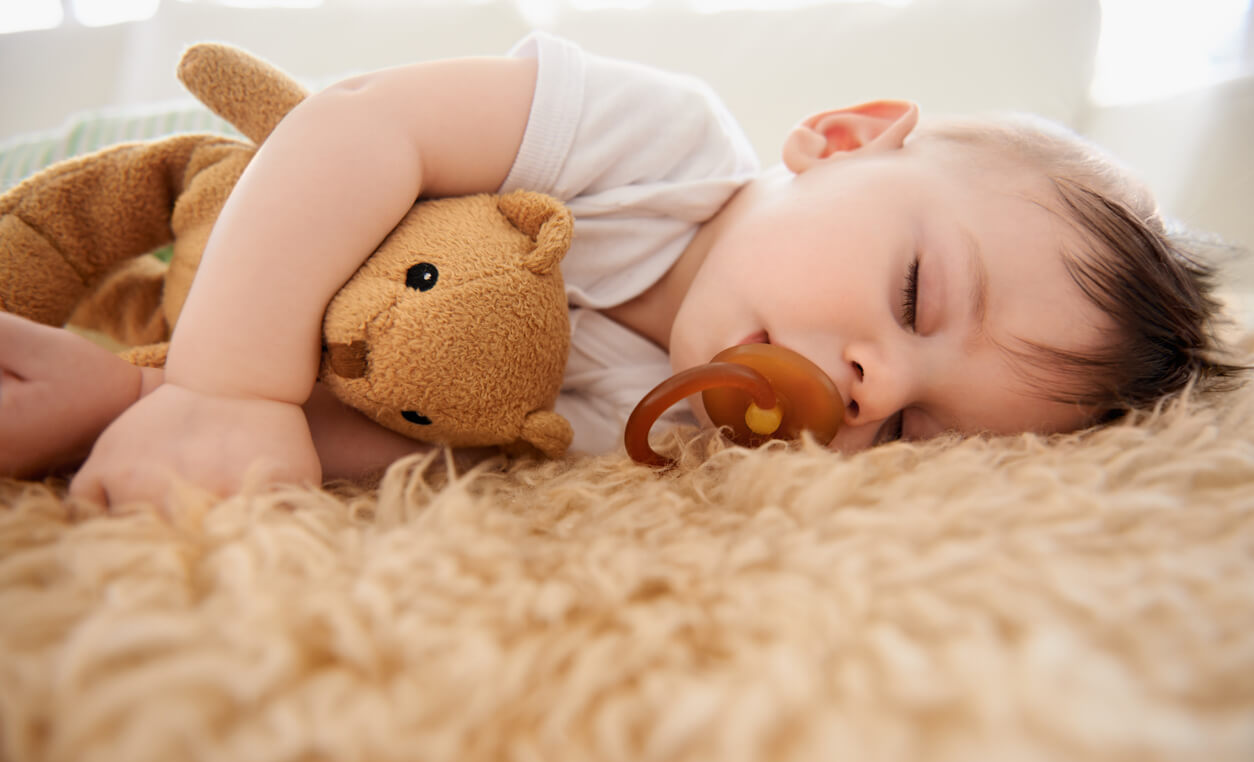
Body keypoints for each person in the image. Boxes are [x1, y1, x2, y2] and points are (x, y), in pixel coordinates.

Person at [0, 33, 1241, 506]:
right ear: (846, 140)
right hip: (155, 194)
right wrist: (227, 383)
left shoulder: (660, 440)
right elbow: (361, 126)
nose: (865, 384)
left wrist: (140, 403)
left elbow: (401, 436)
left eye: (913, 425)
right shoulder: (657, 147)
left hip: (158, 328)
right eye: (917, 296)